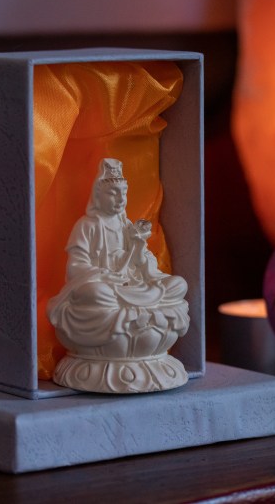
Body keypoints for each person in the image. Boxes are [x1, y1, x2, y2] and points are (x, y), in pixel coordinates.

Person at [48, 158, 190, 393]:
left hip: (132, 286)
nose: (120, 199)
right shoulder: (87, 226)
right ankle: (135, 325)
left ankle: (131, 322)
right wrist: (102, 275)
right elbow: (75, 268)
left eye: (123, 193)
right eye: (113, 193)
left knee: (178, 285)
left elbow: (145, 265)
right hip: (107, 289)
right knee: (96, 294)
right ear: (98, 195)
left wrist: (139, 247)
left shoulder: (127, 226)